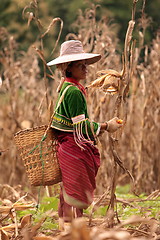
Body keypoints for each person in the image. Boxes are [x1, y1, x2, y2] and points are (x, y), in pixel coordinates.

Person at [47, 40, 122, 230]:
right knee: (75, 191)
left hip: (69, 147)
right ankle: (73, 231)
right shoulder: (73, 92)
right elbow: (81, 127)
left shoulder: (66, 87)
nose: (85, 69)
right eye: (80, 65)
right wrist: (107, 125)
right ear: (68, 68)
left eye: (85, 64)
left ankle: (68, 229)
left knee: (70, 190)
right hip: (74, 148)